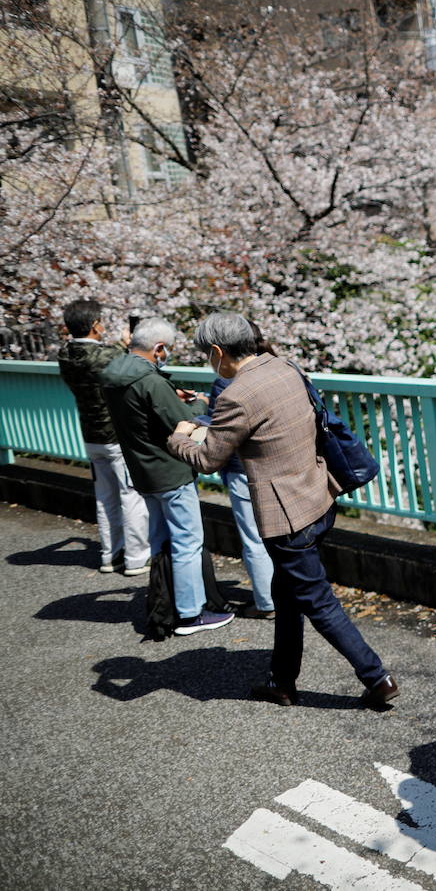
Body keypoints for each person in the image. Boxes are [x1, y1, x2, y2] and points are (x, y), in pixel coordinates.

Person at [165, 312, 398, 709]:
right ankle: (282, 681)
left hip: (286, 518)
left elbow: (207, 459)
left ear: (218, 352)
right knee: (286, 593)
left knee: (317, 600)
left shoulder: (237, 394)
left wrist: (179, 436)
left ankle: (377, 677)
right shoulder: (284, 367)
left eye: (208, 355)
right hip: (318, 496)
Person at [99, 317, 234, 636]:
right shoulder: (151, 382)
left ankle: (166, 603)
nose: (167, 355)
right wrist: (199, 402)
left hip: (142, 470)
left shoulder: (112, 375)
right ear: (158, 348)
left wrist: (172, 396)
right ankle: (191, 612)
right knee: (187, 541)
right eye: (167, 350)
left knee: (160, 540)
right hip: (170, 471)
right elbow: (181, 424)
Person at [56, 300, 150, 577]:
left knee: (105, 498)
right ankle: (136, 558)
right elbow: (133, 367)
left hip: (91, 435)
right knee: (130, 495)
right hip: (116, 436)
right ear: (96, 325)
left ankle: (110, 555)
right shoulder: (108, 354)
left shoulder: (65, 354)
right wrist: (129, 344)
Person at [196, 320, 276, 619]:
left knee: (255, 539)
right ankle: (292, 594)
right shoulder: (279, 369)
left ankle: (267, 603)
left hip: (242, 470)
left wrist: (194, 422)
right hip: (278, 467)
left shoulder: (226, 382)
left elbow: (222, 432)